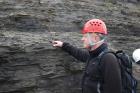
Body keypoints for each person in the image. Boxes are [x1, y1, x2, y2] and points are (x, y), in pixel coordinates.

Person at [52, 19, 122, 93]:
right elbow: (79, 53)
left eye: (85, 36)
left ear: (95, 38)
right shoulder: (94, 55)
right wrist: (63, 45)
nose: (82, 39)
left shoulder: (108, 59)